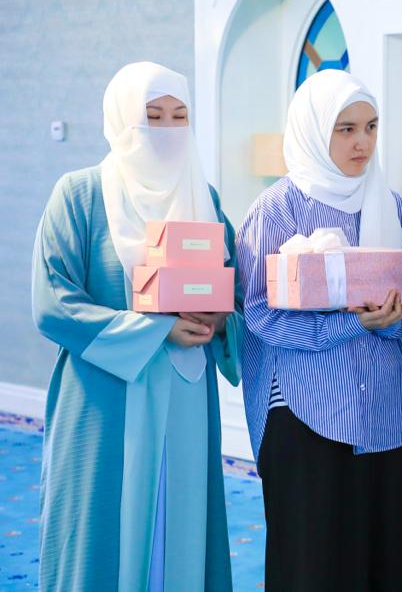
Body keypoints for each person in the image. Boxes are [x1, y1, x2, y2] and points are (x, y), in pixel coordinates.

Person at [32, 61, 242, 591]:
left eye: (179, 116)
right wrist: (156, 330)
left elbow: (236, 291)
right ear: (122, 118)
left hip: (187, 399)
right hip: (106, 401)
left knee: (182, 530)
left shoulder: (204, 198)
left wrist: (220, 320)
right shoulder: (79, 196)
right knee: (105, 532)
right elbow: (53, 302)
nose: (167, 129)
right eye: (152, 116)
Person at [236, 69, 402, 591]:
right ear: (313, 130)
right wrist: (350, 323)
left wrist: (394, 318)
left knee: (385, 563)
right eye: (345, 129)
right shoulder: (275, 210)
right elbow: (260, 315)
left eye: (370, 127)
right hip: (307, 411)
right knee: (316, 564)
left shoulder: (388, 205)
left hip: (384, 411)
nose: (362, 142)